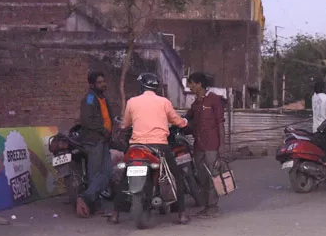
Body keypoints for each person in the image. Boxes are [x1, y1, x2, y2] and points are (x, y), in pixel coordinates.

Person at [110, 73, 191, 225]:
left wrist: (123, 126)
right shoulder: (164, 102)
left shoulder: (132, 102)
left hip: (137, 146)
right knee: (176, 176)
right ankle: (181, 215)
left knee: (125, 178)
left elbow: (125, 123)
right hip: (159, 146)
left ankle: (115, 215)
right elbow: (176, 120)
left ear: (142, 86)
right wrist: (184, 123)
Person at [186, 72, 226, 218]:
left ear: (198, 84)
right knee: (202, 177)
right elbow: (186, 120)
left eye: (191, 84)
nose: (189, 87)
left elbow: (221, 124)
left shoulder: (214, 100)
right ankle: (207, 206)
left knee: (213, 177)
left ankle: (213, 207)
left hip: (212, 147)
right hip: (198, 147)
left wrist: (222, 147)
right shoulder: (195, 103)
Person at [77, 71, 114, 218]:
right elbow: (86, 120)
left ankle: (88, 197)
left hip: (103, 140)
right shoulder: (90, 98)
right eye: (99, 82)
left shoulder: (102, 98)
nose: (103, 84)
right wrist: (102, 129)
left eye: (103, 81)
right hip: (94, 140)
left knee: (108, 172)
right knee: (96, 173)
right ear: (92, 84)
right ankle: (92, 203)